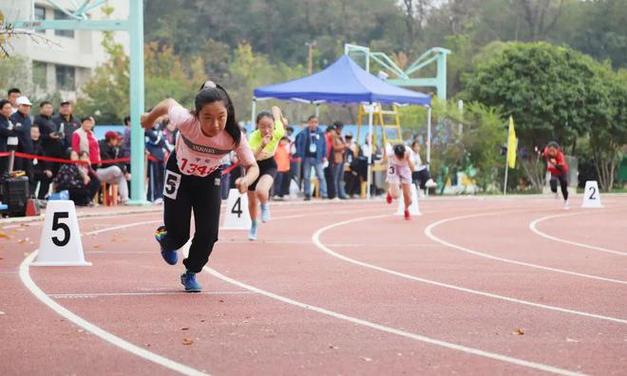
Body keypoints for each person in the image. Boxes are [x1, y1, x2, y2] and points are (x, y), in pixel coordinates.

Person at [141, 81, 258, 292]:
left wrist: (246, 181)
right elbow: (168, 104)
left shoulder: (234, 135)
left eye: (221, 117)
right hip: (179, 174)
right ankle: (165, 239)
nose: (215, 125)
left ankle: (191, 272)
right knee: (179, 236)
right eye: (208, 118)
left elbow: (252, 166)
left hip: (208, 179)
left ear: (228, 113)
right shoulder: (186, 121)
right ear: (197, 115)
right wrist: (149, 119)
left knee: (209, 233)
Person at [246, 106, 286, 240]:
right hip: (253, 166)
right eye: (262, 126)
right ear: (257, 126)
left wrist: (279, 118)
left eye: (269, 126)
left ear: (274, 125)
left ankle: (265, 206)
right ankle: (253, 224)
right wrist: (261, 145)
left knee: (261, 191)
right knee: (251, 202)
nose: (266, 130)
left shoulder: (278, 132)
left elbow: (275, 108)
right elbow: (251, 158)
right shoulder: (253, 136)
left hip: (269, 165)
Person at [295, 115, 327, 200]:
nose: (313, 124)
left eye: (315, 122)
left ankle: (324, 194)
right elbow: (298, 143)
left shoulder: (320, 133)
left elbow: (324, 145)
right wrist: (299, 154)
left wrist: (324, 156)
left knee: (321, 176)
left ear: (318, 123)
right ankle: (307, 194)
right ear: (308, 123)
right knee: (306, 176)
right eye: (312, 122)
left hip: (318, 158)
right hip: (306, 157)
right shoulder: (303, 133)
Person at [384, 143, 416, 220]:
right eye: (399, 157)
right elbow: (386, 145)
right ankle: (390, 191)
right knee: (395, 196)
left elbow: (413, 169)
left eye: (402, 156)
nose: (400, 158)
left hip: (405, 167)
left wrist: (408, 159)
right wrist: (383, 158)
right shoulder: (390, 152)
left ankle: (406, 209)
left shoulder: (409, 152)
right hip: (393, 166)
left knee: (408, 199)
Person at [99, 131, 130, 204]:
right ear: (111, 139)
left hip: (108, 173)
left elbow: (117, 162)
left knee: (121, 177)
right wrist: (123, 171)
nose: (118, 141)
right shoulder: (101, 146)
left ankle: (125, 200)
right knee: (115, 169)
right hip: (99, 171)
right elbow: (108, 163)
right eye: (116, 139)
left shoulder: (113, 148)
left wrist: (124, 172)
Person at [34, 101, 65, 176]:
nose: (49, 110)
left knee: (56, 176)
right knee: (46, 178)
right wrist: (48, 136)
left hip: (56, 152)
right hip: (44, 153)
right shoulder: (37, 120)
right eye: (47, 107)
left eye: (50, 108)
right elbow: (35, 135)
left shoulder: (52, 120)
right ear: (41, 109)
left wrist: (59, 135)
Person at [10, 96, 34, 179]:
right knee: (18, 174)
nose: (26, 108)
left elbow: (25, 131)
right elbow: (15, 129)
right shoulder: (13, 117)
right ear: (18, 106)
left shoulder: (28, 118)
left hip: (28, 151)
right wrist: (19, 128)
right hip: (18, 151)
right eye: (24, 105)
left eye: (28, 106)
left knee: (29, 174)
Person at [543, 141, 570, 208]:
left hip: (561, 171)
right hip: (553, 172)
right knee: (552, 181)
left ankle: (566, 200)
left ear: (557, 150)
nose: (551, 152)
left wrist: (555, 164)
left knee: (564, 185)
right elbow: (542, 152)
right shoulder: (546, 152)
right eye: (550, 150)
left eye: (553, 151)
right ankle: (555, 192)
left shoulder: (560, 156)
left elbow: (561, 167)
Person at [30, 125, 54, 199]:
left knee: (47, 176)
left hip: (38, 168)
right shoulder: (26, 144)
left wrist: (47, 169)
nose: (35, 134)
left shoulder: (41, 144)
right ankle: (31, 197)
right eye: (33, 132)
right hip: (28, 168)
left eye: (37, 132)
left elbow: (44, 159)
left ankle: (41, 197)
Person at [0, 99, 18, 176]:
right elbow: (4, 131)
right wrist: (15, 131)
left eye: (10, 108)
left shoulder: (10, 119)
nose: (9, 110)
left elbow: (19, 130)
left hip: (8, 150)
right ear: (0, 109)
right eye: (6, 108)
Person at [331, 121, 348, 199]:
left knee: (341, 177)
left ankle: (342, 193)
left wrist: (344, 144)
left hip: (342, 158)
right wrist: (344, 146)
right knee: (336, 177)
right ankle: (335, 194)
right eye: (340, 128)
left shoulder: (341, 136)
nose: (341, 130)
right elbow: (334, 147)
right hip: (336, 159)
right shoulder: (333, 136)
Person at [273, 136, 291, 200]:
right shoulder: (276, 148)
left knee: (285, 182)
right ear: (280, 140)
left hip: (286, 168)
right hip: (278, 168)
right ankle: (276, 194)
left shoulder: (286, 148)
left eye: (286, 141)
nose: (286, 142)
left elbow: (289, 157)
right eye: (284, 141)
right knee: (278, 182)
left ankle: (283, 194)